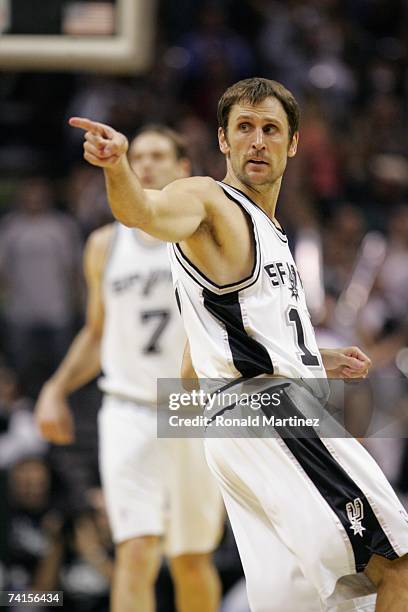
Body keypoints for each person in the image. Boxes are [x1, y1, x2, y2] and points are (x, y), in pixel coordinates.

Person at [69, 78, 408, 611]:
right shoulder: (207, 199)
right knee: (399, 565)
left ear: (293, 143)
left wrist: (311, 359)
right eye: (243, 129)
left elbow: (191, 369)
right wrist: (118, 169)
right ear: (222, 142)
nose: (257, 141)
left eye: (270, 129)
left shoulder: (271, 231)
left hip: (236, 425)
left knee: (327, 603)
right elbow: (145, 213)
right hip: (271, 412)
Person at [35, 126, 223, 612]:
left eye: (159, 155)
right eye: (137, 155)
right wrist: (55, 388)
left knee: (190, 557)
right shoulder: (102, 245)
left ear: (184, 169)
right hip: (127, 407)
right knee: (135, 551)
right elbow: (97, 332)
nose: (145, 164)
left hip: (190, 409)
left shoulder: (201, 233)